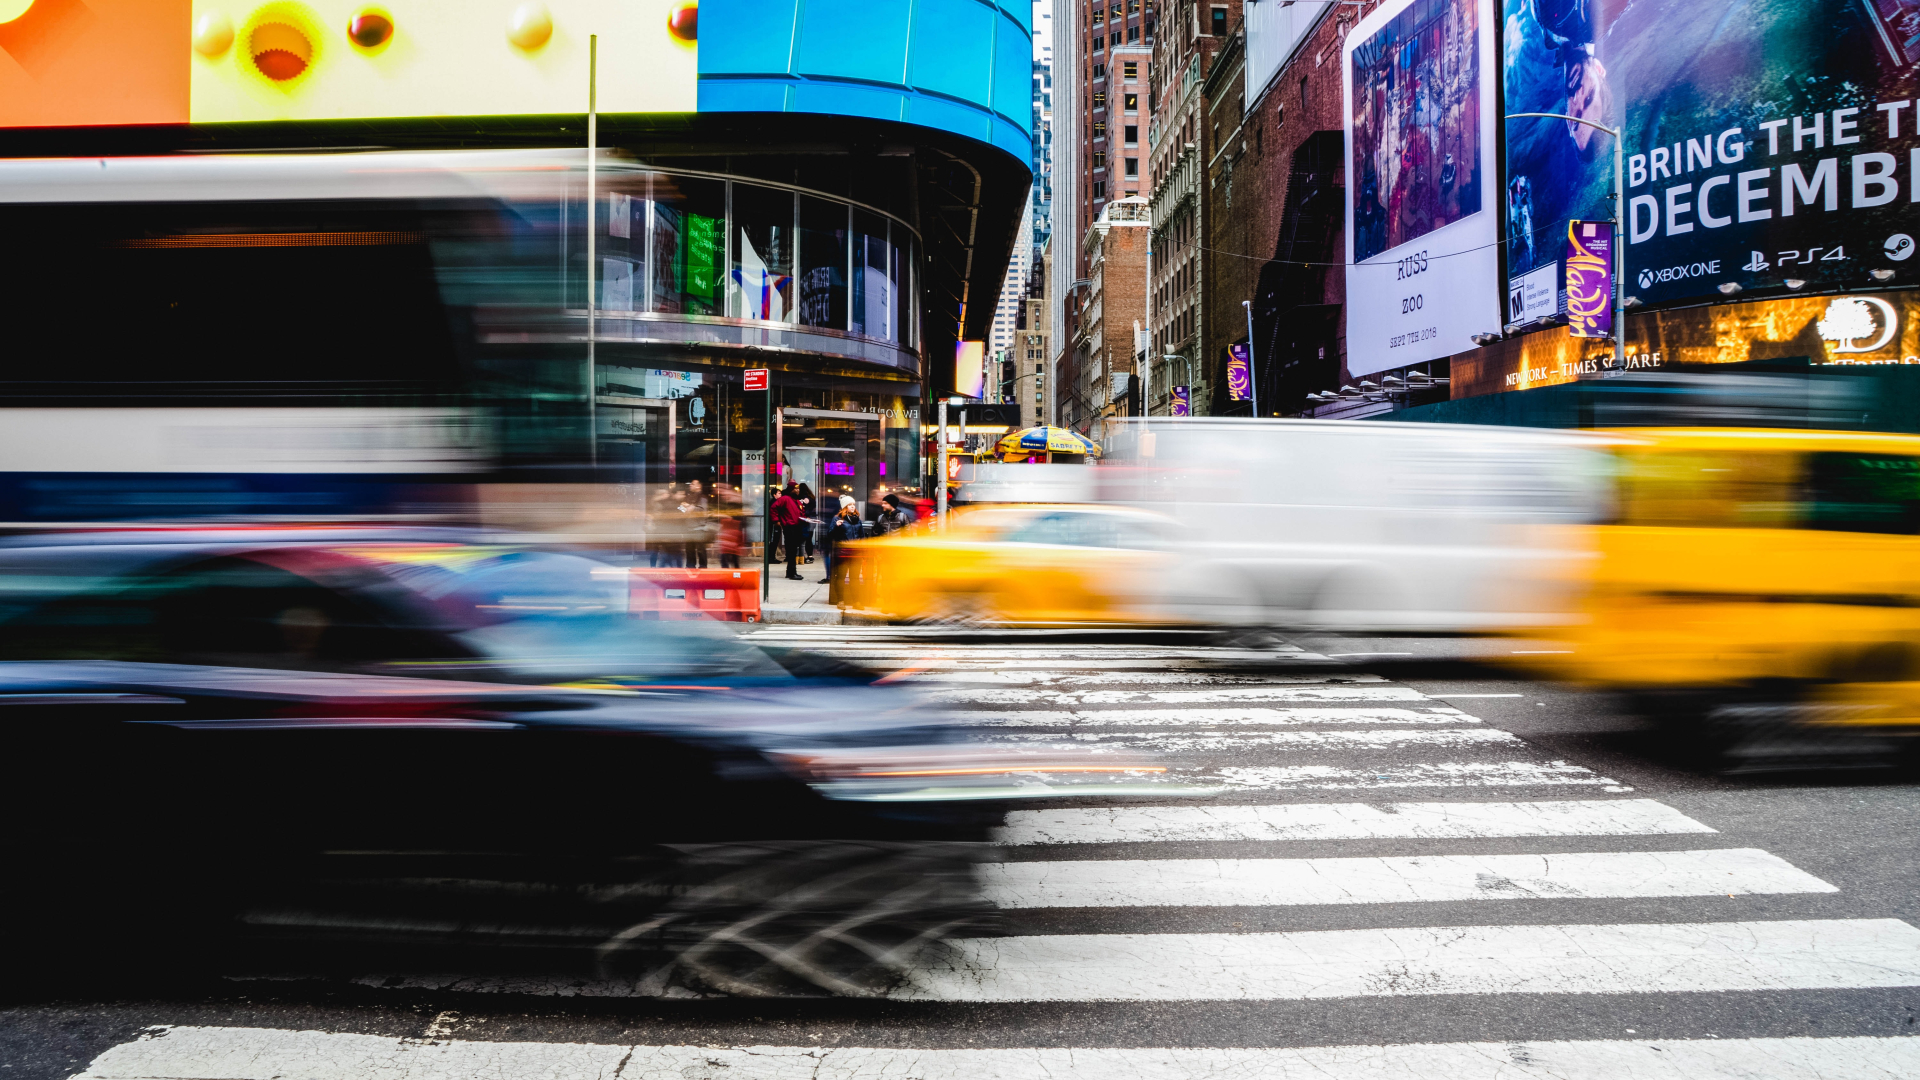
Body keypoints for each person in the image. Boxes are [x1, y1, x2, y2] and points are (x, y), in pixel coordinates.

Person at [820, 494, 864, 587]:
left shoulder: (857, 519)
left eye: (853, 504)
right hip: (843, 552)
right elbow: (830, 534)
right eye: (849, 504)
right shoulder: (837, 519)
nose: (852, 506)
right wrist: (836, 526)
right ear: (844, 507)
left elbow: (861, 536)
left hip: (855, 552)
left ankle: (855, 600)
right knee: (841, 576)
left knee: (855, 577)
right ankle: (840, 599)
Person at [771, 481, 806, 580]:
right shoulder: (785, 499)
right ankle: (791, 572)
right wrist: (776, 521)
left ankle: (791, 572)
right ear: (791, 489)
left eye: (798, 488)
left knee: (793, 550)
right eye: (795, 488)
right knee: (791, 550)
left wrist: (805, 519)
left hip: (797, 527)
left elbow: (801, 513)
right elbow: (773, 508)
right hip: (789, 527)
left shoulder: (797, 501)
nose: (797, 490)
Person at [794, 482, 819, 563]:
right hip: (813, 519)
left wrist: (805, 516)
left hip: (805, 519)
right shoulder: (812, 497)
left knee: (802, 539)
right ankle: (810, 555)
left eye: (798, 489)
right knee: (809, 538)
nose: (797, 490)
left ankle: (801, 556)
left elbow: (804, 509)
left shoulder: (801, 498)